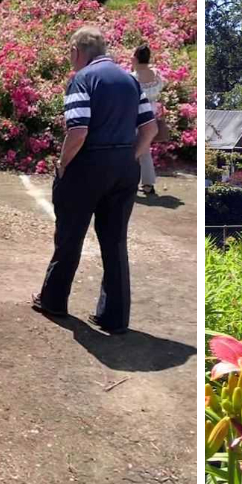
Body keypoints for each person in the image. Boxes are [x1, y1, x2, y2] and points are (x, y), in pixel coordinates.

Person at [31, 26, 158, 334]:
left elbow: (78, 131)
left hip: (88, 164)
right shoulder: (130, 80)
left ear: (77, 51)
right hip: (124, 166)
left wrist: (62, 165)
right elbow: (150, 128)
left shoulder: (82, 79)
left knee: (70, 235)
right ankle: (114, 317)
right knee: (115, 242)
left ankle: (54, 300)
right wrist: (130, 157)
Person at [131, 44, 165, 196]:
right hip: (152, 112)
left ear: (136, 58)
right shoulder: (156, 74)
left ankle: (144, 183)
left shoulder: (133, 76)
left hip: (137, 113)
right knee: (144, 148)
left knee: (140, 149)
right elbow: (161, 89)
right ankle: (146, 183)